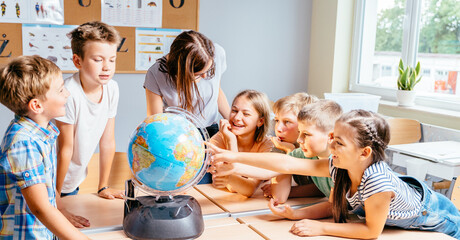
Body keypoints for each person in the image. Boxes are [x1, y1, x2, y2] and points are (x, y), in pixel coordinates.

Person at [207, 110, 460, 239]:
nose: (331, 147)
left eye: (338, 142)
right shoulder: (339, 167)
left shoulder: (377, 183)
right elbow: (286, 164)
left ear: (364, 152)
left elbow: (371, 231)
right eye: (332, 139)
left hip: (438, 217)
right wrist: (234, 157)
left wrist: (321, 228)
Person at [0, 55, 89, 240]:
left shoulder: (43, 133)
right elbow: (40, 208)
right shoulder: (23, 143)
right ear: (36, 105)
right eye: (60, 90)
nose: (67, 93)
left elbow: (47, 187)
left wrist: (60, 210)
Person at [55, 21, 122, 227]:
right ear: (78, 61)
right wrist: (55, 197)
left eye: (112, 59)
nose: (106, 67)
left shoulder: (112, 88)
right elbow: (65, 148)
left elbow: (108, 141)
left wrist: (103, 186)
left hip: (75, 177)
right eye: (97, 59)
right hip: (55, 179)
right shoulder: (69, 93)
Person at [144, 30, 230, 183]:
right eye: (198, 74)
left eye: (208, 71)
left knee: (215, 186)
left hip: (212, 135)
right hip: (179, 140)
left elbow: (216, 90)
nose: (205, 77)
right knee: (186, 186)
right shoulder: (156, 73)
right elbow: (155, 121)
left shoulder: (217, 53)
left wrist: (233, 121)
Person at [269, 100, 341, 203]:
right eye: (299, 132)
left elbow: (332, 207)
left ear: (331, 136)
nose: (299, 139)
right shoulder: (302, 153)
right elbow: (279, 196)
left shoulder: (340, 163)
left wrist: (295, 214)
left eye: (306, 134)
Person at [209, 90, 274, 197]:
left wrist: (229, 179)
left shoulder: (266, 145)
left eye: (246, 114)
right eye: (234, 110)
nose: (237, 118)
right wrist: (231, 140)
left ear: (260, 121)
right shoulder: (218, 140)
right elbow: (233, 187)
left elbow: (249, 189)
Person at [262, 93, 318, 200]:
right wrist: (286, 150)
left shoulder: (315, 150)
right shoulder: (282, 145)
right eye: (277, 120)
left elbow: (321, 188)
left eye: (287, 122)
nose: (278, 128)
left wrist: (289, 150)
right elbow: (279, 196)